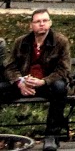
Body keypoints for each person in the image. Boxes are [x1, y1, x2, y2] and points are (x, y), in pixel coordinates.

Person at [0, 8, 70, 147]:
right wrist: (20, 82)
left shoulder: (61, 42)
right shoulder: (21, 42)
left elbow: (64, 69)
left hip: (47, 84)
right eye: (37, 21)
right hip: (23, 84)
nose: (41, 24)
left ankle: (51, 136)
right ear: (31, 25)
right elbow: (10, 66)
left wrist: (43, 81)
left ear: (50, 23)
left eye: (45, 21)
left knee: (60, 88)